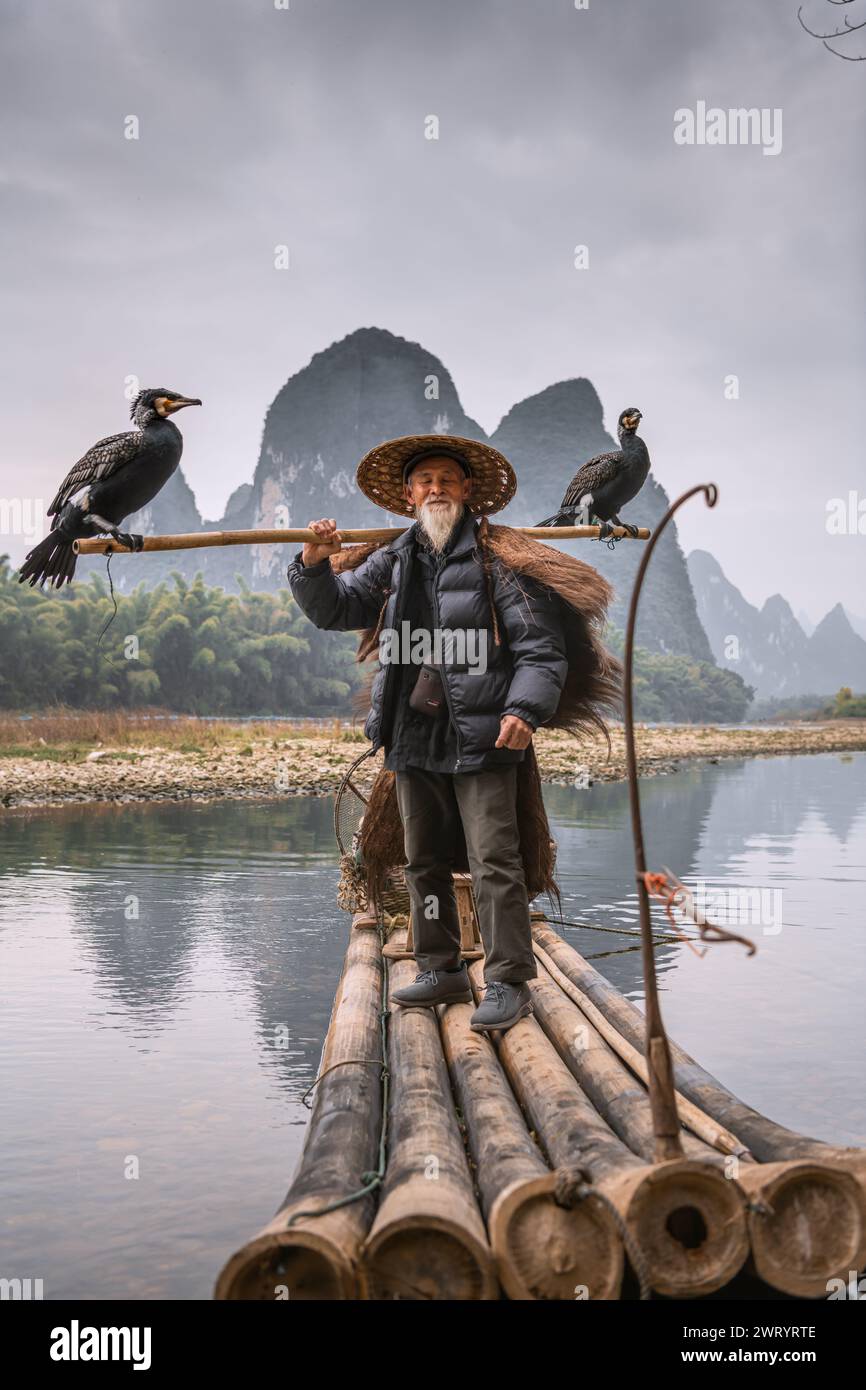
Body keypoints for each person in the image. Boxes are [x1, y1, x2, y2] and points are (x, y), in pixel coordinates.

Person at [286, 434, 569, 1032]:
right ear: (409, 495)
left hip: (484, 730)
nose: (435, 489)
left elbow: (542, 649)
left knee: (495, 859)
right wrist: (312, 562)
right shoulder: (393, 560)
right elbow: (335, 609)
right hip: (412, 730)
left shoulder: (502, 560)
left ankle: (508, 980)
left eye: (446, 480)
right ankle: (439, 967)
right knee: (423, 860)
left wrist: (524, 709)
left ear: (467, 491)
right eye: (425, 482)